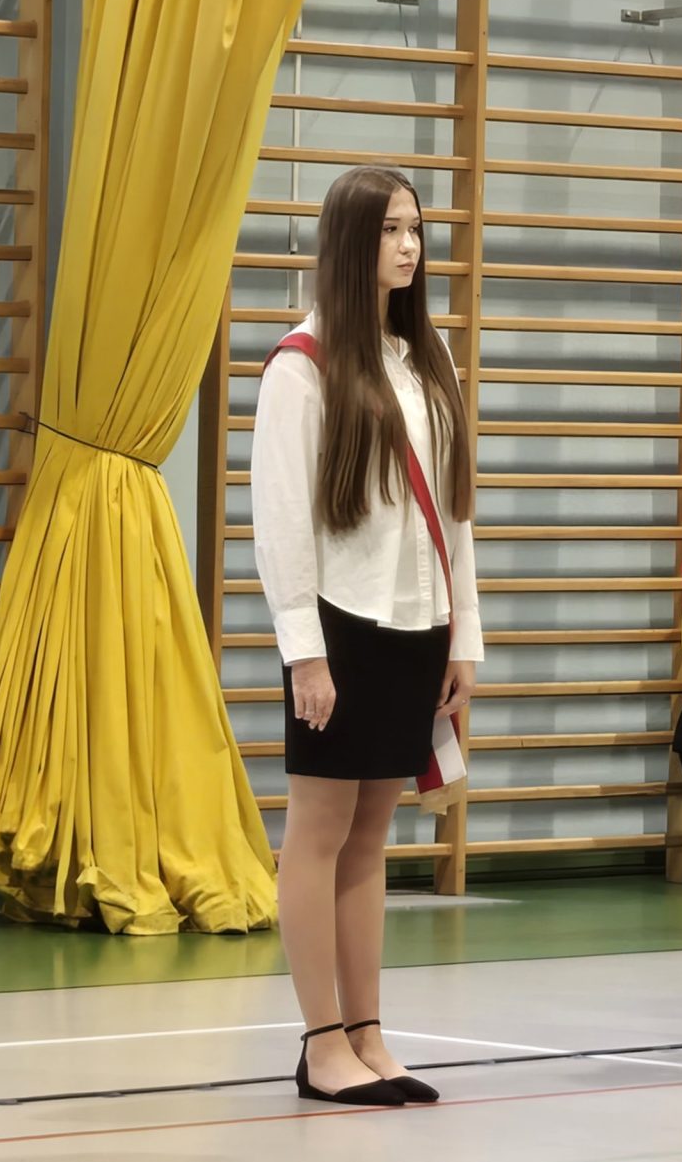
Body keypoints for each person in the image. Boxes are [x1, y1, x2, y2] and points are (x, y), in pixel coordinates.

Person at [252, 165, 478, 1107]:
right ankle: (320, 1042)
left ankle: (368, 1030)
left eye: (415, 228)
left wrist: (464, 637)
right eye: (390, 229)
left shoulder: (428, 356)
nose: (409, 246)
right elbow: (280, 523)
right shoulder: (301, 366)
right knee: (318, 830)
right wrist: (303, 651)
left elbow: (456, 512)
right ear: (351, 241)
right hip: (340, 625)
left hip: (418, 622)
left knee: (371, 836)